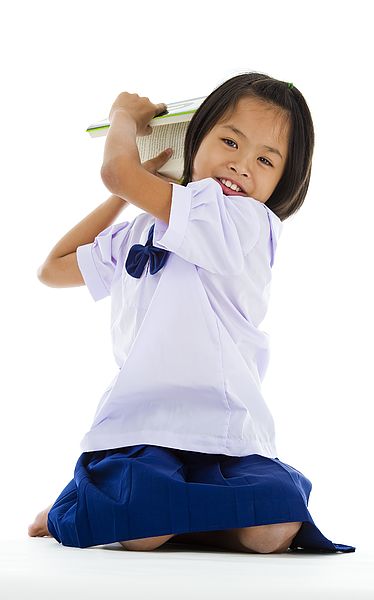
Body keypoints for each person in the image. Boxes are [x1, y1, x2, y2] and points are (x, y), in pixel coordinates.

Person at [28, 72, 355, 554]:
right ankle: (115, 513)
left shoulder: (247, 220)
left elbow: (117, 169)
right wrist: (127, 195)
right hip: (143, 427)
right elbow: (52, 269)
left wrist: (124, 119)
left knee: (275, 530)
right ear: (195, 138)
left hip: (227, 428)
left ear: (283, 180)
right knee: (142, 537)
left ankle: (145, 514)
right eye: (229, 141)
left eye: (265, 160)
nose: (242, 165)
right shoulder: (140, 228)